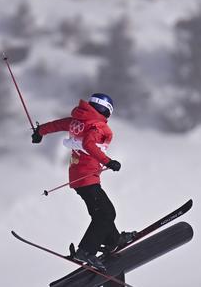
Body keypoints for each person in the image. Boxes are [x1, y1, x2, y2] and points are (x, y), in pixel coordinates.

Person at [31, 92, 136, 271]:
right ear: (107, 111)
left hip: (79, 176)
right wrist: (108, 161)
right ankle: (86, 251)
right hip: (87, 177)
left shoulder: (77, 121)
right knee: (106, 213)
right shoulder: (98, 126)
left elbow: (57, 125)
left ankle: (112, 239)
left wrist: (39, 132)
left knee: (101, 213)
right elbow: (88, 144)